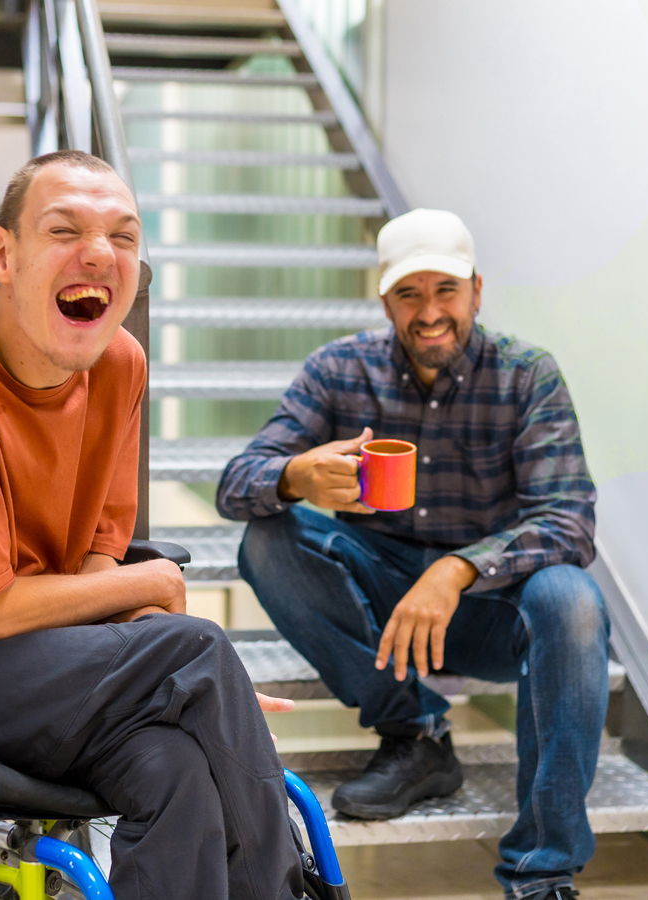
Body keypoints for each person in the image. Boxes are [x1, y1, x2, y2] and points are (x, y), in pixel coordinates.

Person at [0, 150, 305, 900]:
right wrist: (166, 615)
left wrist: (173, 664)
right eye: (65, 229)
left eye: (124, 236)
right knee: (196, 646)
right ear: (2, 255)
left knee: (176, 771)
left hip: (40, 668)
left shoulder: (118, 365)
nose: (100, 253)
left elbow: (98, 561)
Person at [219, 208, 605, 900]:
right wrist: (297, 474)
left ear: (477, 293)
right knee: (270, 538)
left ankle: (542, 871)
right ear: (384, 299)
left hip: (490, 611)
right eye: (409, 294)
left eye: (446, 291)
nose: (429, 313)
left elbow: (569, 518)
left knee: (572, 601)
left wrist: (457, 569)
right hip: (382, 600)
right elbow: (236, 483)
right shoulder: (340, 368)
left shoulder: (526, 376)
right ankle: (417, 735)